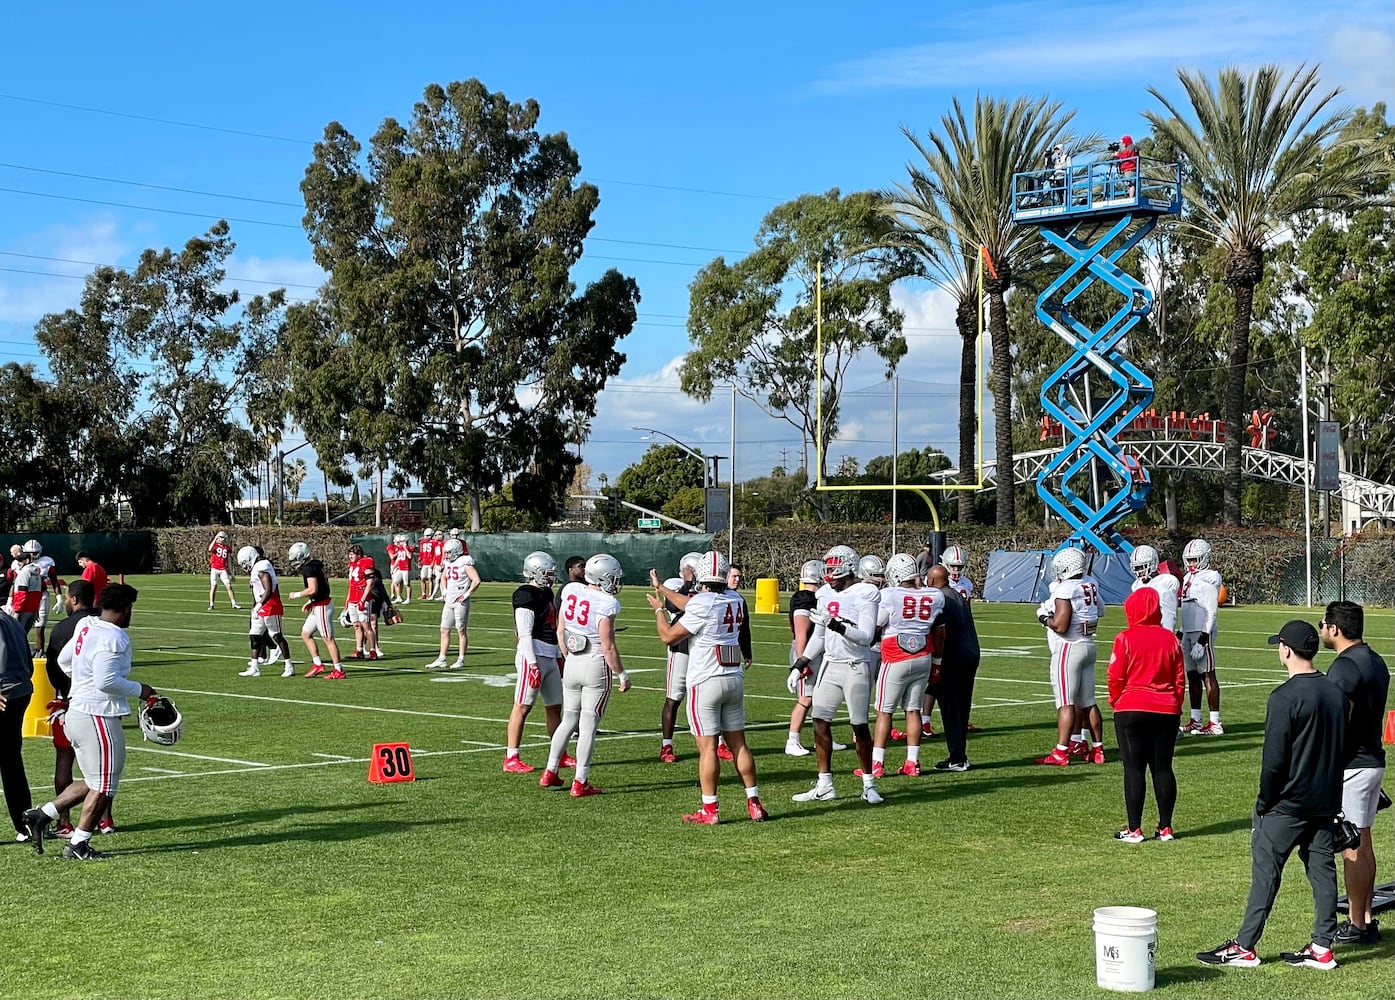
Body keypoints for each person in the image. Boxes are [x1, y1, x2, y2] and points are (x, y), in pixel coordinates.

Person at [1197, 620, 1346, 970]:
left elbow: (1274, 761)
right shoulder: (1335, 691)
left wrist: (1265, 801)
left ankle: (1245, 946)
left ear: (1287, 649)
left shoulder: (1284, 697)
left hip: (1287, 803)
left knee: (1266, 872)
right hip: (1324, 800)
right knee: (1323, 873)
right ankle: (1323, 945)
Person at [23, 583, 157, 860]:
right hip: (97, 715)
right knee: (106, 784)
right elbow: (106, 681)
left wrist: (81, 684)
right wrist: (140, 690)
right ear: (126, 609)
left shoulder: (87, 625)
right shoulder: (114, 636)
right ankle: (78, 844)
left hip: (78, 711)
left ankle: (42, 814)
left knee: (96, 779)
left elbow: (64, 660)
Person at [647, 551, 767, 824]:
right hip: (733, 678)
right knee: (739, 745)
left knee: (708, 749)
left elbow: (668, 636)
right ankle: (754, 803)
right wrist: (662, 588)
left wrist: (658, 609)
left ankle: (710, 810)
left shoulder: (702, 603)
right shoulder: (736, 599)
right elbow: (691, 602)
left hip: (705, 680)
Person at [788, 545, 883, 805]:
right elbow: (819, 635)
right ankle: (824, 784)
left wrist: (837, 625)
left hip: (855, 665)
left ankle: (868, 783)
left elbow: (865, 637)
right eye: (827, 569)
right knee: (819, 721)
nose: (829, 575)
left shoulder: (866, 592)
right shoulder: (826, 593)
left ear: (849, 569)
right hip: (830, 664)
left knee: (859, 726)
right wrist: (801, 663)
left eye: (833, 570)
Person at [1319, 601, 1390, 945]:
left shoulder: (1345, 666)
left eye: (1323, 624)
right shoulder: (1373, 659)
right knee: (1362, 841)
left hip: (1354, 765)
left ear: (1335, 628)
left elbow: (1337, 721)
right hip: (1370, 759)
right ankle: (1364, 917)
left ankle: (1358, 924)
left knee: (1352, 845)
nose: (1321, 630)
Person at [539, 554, 631, 796]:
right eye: (611, 578)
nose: (615, 583)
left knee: (569, 719)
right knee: (588, 724)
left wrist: (568, 657)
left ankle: (550, 771)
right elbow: (608, 646)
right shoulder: (606, 603)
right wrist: (622, 674)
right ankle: (580, 781)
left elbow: (560, 630)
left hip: (573, 661)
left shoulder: (570, 590)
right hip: (595, 663)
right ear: (602, 577)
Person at [1107, 586, 1186, 843]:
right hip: (1166, 708)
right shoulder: (1170, 639)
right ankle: (1165, 827)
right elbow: (1179, 678)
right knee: (1163, 767)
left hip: (1131, 706)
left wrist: (1115, 699)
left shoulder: (1125, 638)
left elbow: (1115, 675)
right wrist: (1175, 704)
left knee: (1134, 769)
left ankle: (1134, 828)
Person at [42, 579, 109, 835]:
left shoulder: (62, 629)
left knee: (64, 760)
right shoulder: (105, 624)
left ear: (72, 599)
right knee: (104, 767)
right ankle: (105, 820)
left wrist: (64, 693)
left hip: (70, 703)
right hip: (100, 704)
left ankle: (64, 822)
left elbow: (54, 668)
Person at [868, 553, 943, 777]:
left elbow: (877, 624)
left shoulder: (889, 595)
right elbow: (938, 628)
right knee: (913, 710)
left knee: (884, 711)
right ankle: (912, 762)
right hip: (923, 656)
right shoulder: (934, 595)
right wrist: (937, 663)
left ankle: (877, 764)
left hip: (895, 656)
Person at [1034, 547, 1105, 766]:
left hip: (1069, 647)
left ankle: (1061, 751)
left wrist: (1044, 618)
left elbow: (1061, 626)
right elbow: (1101, 610)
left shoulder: (1065, 588)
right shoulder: (1090, 583)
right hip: (1089, 645)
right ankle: (1098, 750)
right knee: (1089, 702)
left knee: (1065, 702)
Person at [503, 552, 571, 773]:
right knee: (523, 706)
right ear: (535, 572)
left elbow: (553, 627)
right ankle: (511, 757)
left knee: (555, 707)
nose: (550, 577)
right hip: (532, 655)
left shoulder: (547, 592)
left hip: (550, 654)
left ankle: (559, 753)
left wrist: (559, 656)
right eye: (547, 573)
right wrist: (532, 664)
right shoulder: (525, 594)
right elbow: (523, 634)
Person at [650, 552, 702, 763]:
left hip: (700, 648)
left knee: (703, 696)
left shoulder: (705, 588)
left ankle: (718, 744)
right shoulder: (675, 583)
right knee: (674, 697)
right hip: (680, 647)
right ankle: (666, 746)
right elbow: (674, 605)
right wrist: (688, 583)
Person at [927, 565, 980, 772]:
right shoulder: (959, 595)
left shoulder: (939, 598)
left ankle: (957, 757)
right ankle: (959, 755)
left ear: (931, 580)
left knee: (950, 708)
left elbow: (940, 632)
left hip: (953, 657)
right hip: (971, 653)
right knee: (962, 707)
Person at [1179, 538, 1224, 735]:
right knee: (1192, 676)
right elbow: (1187, 608)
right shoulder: (1188, 578)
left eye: (1195, 559)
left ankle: (1215, 723)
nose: (1191, 563)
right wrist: (1181, 631)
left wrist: (1203, 637)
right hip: (1189, 630)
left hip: (1202, 631)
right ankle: (1196, 719)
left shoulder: (1209, 577)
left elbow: (1211, 610)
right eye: (1189, 559)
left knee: (1208, 674)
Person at [0, 607, 35, 844]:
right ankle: (24, 824)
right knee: (12, 761)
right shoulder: (10, 620)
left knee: (10, 760)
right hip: (20, 690)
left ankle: (25, 823)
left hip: (5, 692)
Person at [286, 542, 345, 679]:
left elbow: (313, 589)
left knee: (328, 638)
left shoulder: (309, 569)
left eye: (296, 558)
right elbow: (320, 588)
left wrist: (296, 595)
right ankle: (317, 664)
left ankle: (339, 670)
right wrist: (310, 601)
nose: (294, 562)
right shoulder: (314, 565)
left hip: (323, 606)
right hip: (318, 604)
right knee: (306, 633)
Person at [785, 560, 825, 757]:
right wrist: (801, 662)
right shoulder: (804, 598)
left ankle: (822, 739)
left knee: (820, 698)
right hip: (806, 652)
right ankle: (792, 740)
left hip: (814, 651)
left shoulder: (816, 596)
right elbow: (801, 632)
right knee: (806, 698)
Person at [237, 546, 293, 678]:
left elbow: (268, 589)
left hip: (270, 605)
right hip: (262, 604)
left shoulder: (262, 567)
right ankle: (255, 667)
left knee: (277, 636)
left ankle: (289, 666)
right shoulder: (259, 565)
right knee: (255, 635)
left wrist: (259, 605)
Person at [426, 538, 480, 669]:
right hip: (449, 600)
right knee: (444, 629)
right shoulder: (448, 563)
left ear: (456, 551)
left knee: (461, 630)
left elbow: (476, 580)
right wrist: (444, 590)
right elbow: (444, 577)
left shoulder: (465, 562)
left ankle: (461, 659)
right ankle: (442, 658)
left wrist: (466, 594)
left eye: (448, 552)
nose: (446, 555)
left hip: (460, 601)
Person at [1130, 545, 1179, 632]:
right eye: (1137, 568)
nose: (1139, 571)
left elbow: (1169, 615)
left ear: (1153, 564)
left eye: (1142, 567)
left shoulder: (1165, 581)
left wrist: (1168, 634)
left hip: (1160, 630)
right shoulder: (1136, 585)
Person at [7, 540, 45, 639]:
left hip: (23, 610)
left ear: (27, 561)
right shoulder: (37, 574)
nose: (19, 564)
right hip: (32, 609)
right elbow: (38, 594)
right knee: (23, 636)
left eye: (20, 561)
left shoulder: (24, 572)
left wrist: (17, 610)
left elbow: (21, 593)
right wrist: (36, 609)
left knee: (16, 636)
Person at [207, 530, 240, 611]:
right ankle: (211, 604)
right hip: (214, 569)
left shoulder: (227, 548)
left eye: (223, 538)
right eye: (220, 537)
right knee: (213, 587)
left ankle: (234, 603)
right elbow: (209, 549)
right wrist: (215, 538)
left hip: (223, 569)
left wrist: (232, 574)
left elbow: (229, 562)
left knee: (229, 586)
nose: (222, 539)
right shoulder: (215, 546)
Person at [387, 534, 413, 606]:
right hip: (400, 568)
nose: (400, 543)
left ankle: (408, 599)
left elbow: (409, 556)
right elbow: (398, 559)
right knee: (395, 582)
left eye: (402, 541)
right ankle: (398, 597)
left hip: (406, 569)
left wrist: (405, 548)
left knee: (406, 584)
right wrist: (394, 567)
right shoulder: (399, 548)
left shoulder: (409, 548)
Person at [417, 529, 436, 602]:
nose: (426, 537)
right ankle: (423, 593)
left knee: (430, 578)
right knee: (422, 578)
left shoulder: (434, 542)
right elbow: (421, 552)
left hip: (430, 562)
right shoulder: (422, 542)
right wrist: (419, 560)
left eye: (428, 535)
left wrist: (433, 563)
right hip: (424, 562)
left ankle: (430, 594)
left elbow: (435, 554)